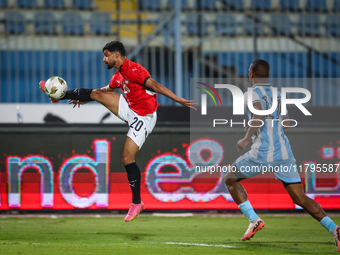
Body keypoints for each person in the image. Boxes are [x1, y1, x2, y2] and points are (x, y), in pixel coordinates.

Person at [39, 41, 196, 222]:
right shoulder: (118, 75)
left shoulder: (135, 70)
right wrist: (86, 99)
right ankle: (59, 96)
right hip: (128, 107)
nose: (104, 59)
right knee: (97, 93)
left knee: (127, 158)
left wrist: (179, 100)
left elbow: (156, 86)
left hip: (144, 117)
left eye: (106, 55)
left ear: (116, 55)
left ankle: (136, 203)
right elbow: (105, 90)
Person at [223, 59, 339, 251]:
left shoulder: (251, 93)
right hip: (284, 153)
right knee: (299, 197)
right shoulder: (277, 94)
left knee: (229, 178)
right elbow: (285, 121)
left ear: (250, 74)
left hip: (262, 152)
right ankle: (334, 228)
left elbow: (259, 115)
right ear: (268, 76)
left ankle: (254, 220)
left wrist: (246, 138)